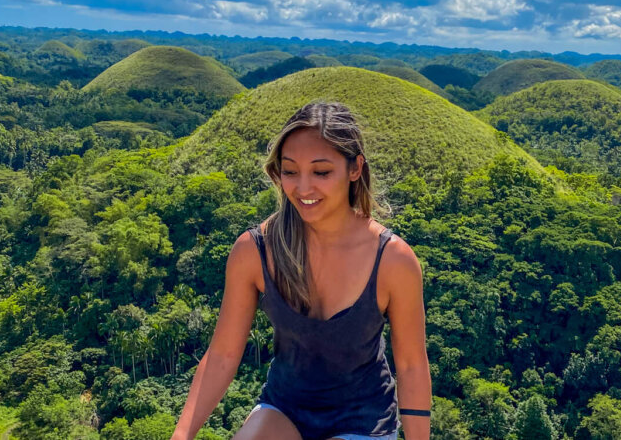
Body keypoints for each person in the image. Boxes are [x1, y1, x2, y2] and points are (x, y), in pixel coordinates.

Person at [170, 101, 431, 440]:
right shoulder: (255, 250)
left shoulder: (393, 260)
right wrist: (181, 434)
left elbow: (411, 367)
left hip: (362, 421)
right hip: (285, 410)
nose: (303, 188)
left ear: (355, 169)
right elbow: (222, 354)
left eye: (321, 172)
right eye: (291, 171)